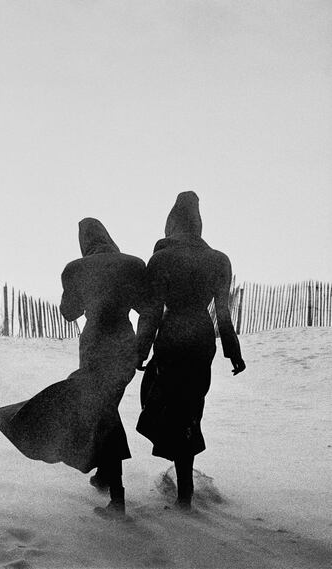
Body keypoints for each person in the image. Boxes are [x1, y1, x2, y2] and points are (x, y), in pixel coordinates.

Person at [0, 218, 146, 520]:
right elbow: (148, 308)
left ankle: (118, 500)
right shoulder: (133, 264)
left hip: (96, 347)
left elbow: (68, 313)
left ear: (83, 241)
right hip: (124, 346)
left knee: (105, 416)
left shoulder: (75, 269)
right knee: (105, 411)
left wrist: (83, 292)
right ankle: (104, 476)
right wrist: (141, 348)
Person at [136, 191, 246, 512]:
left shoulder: (161, 259)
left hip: (171, 335)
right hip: (200, 339)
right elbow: (223, 315)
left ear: (172, 222)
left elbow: (152, 312)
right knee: (190, 408)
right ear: (198, 223)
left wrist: (141, 350)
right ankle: (184, 480)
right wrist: (232, 351)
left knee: (165, 403)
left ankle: (183, 488)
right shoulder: (218, 260)